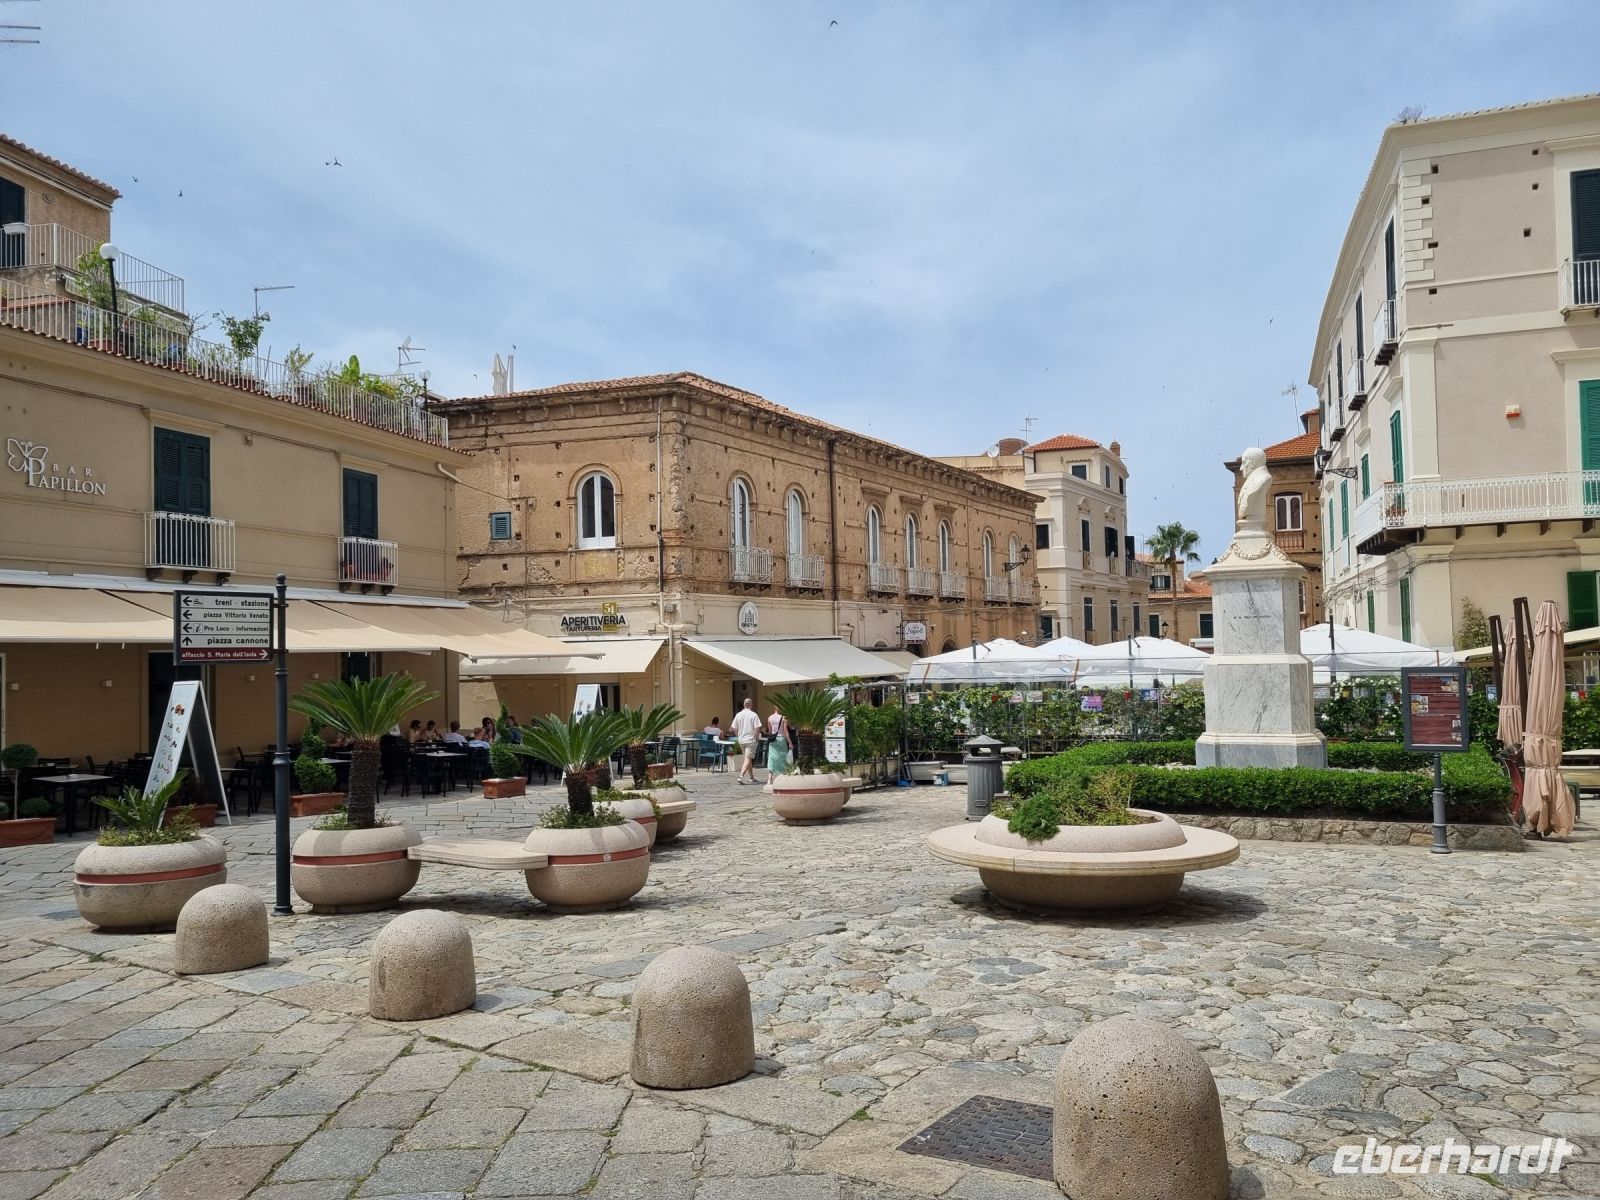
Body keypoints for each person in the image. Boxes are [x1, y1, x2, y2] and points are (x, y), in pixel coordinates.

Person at [730, 698, 762, 784]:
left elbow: (734, 728)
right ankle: (741, 776)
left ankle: (751, 777)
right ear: (751, 705)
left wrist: (738, 736)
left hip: (742, 740)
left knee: (748, 758)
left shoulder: (738, 715)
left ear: (744, 705)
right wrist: (756, 736)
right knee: (748, 758)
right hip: (751, 740)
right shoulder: (753, 715)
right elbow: (757, 727)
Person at [766, 709, 791, 777]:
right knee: (783, 757)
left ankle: (769, 779)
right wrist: (790, 743)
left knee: (771, 758)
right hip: (781, 739)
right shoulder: (784, 718)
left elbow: (770, 732)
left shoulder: (769, 718)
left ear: (774, 708)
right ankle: (783, 775)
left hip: (773, 740)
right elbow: (786, 732)